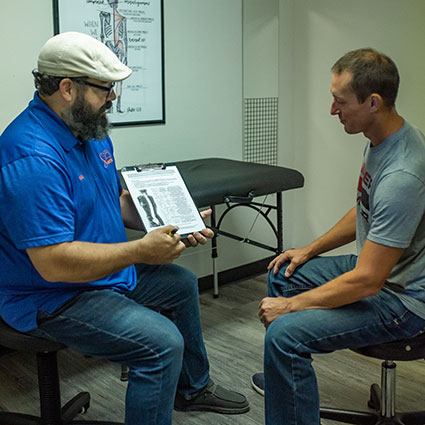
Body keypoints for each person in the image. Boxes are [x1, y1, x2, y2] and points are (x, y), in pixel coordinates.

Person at [0, 32, 249, 425]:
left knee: (180, 285)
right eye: (105, 89)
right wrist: (139, 251)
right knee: (162, 344)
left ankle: (193, 389)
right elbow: (53, 263)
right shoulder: (31, 156)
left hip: (100, 275)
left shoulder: (91, 133)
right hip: (50, 296)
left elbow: (113, 203)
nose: (113, 98)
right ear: (67, 88)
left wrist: (177, 218)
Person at [251, 48, 425, 425]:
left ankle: (287, 354)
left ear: (373, 102)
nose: (333, 110)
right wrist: (307, 250)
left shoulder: (403, 175)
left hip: (404, 304)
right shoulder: (384, 138)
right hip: (382, 273)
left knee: (284, 333)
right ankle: (286, 380)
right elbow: (365, 208)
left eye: (339, 101)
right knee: (284, 272)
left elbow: (368, 280)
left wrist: (293, 308)